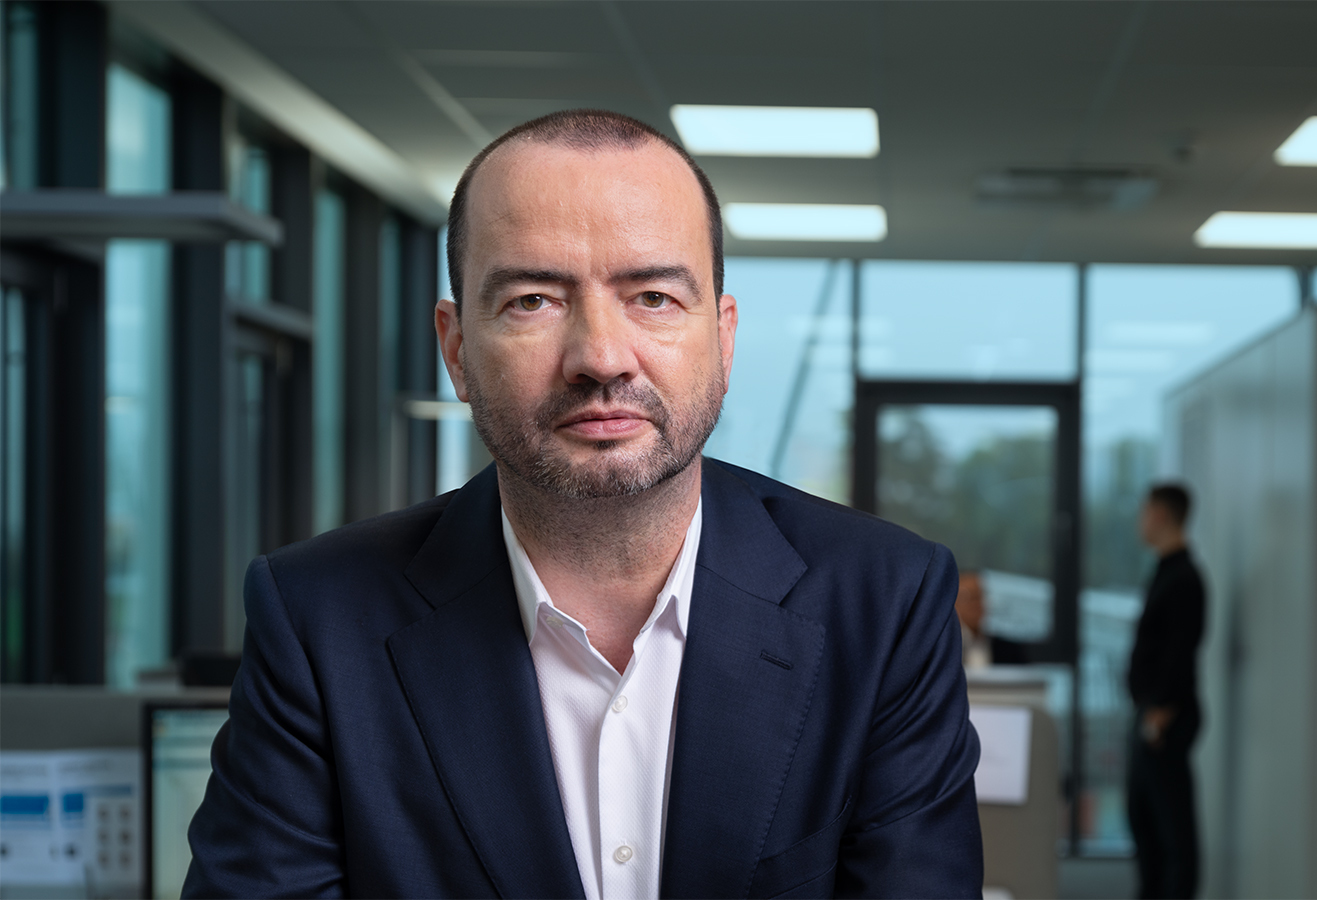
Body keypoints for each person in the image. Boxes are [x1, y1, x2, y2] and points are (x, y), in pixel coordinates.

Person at [183, 110, 982, 900]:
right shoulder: (319, 620)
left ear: (724, 338)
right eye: (534, 299)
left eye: (654, 297)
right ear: (456, 349)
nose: (601, 357)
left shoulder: (883, 603)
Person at [1126, 483, 1206, 900]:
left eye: (1144, 512)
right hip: (1150, 715)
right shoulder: (1166, 569)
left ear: (1160, 515)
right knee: (1144, 820)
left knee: (1172, 830)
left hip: (1164, 721)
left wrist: (1159, 714)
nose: (1141, 521)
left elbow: (1180, 651)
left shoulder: (1185, 577)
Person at [952, 570, 1025, 670]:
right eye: (969, 597)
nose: (976, 604)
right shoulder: (941, 650)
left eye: (980, 597)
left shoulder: (1009, 650)